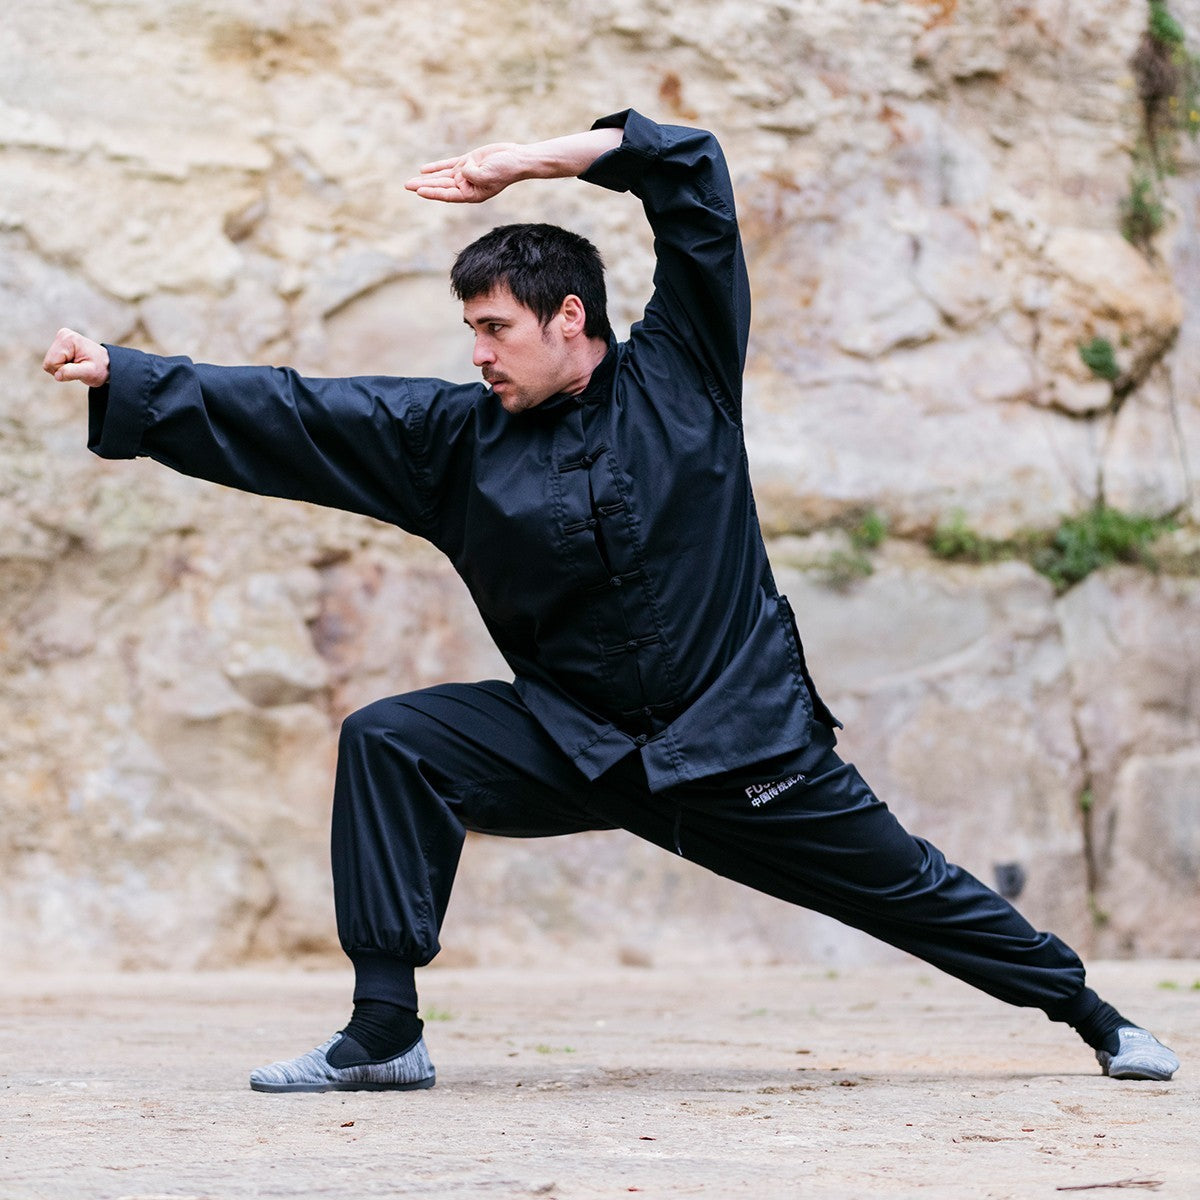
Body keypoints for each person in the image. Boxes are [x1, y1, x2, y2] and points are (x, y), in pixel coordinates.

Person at [44, 109, 1179, 1092]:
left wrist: (533, 161)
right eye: (469, 331)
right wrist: (129, 376)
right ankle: (384, 1033)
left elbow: (692, 178)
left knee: (911, 889)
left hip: (744, 749)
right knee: (394, 743)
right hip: (576, 742)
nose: (478, 352)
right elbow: (298, 412)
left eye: (496, 328)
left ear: (571, 320)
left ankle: (1094, 1016)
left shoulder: (685, 373)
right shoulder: (453, 442)